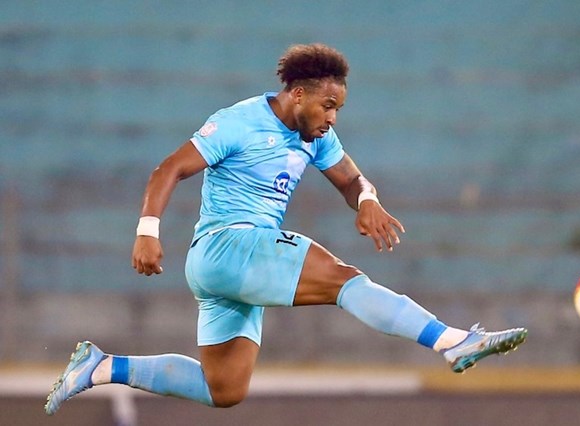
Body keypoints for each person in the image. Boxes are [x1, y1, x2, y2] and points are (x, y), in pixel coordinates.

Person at [45, 43, 527, 414]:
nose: (332, 118)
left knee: (224, 389)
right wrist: (147, 231)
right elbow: (167, 169)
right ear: (298, 95)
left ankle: (101, 366)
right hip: (229, 245)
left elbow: (352, 179)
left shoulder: (315, 135)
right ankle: (451, 341)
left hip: (229, 271)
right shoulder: (238, 122)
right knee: (344, 280)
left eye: (338, 109)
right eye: (327, 105)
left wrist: (367, 201)